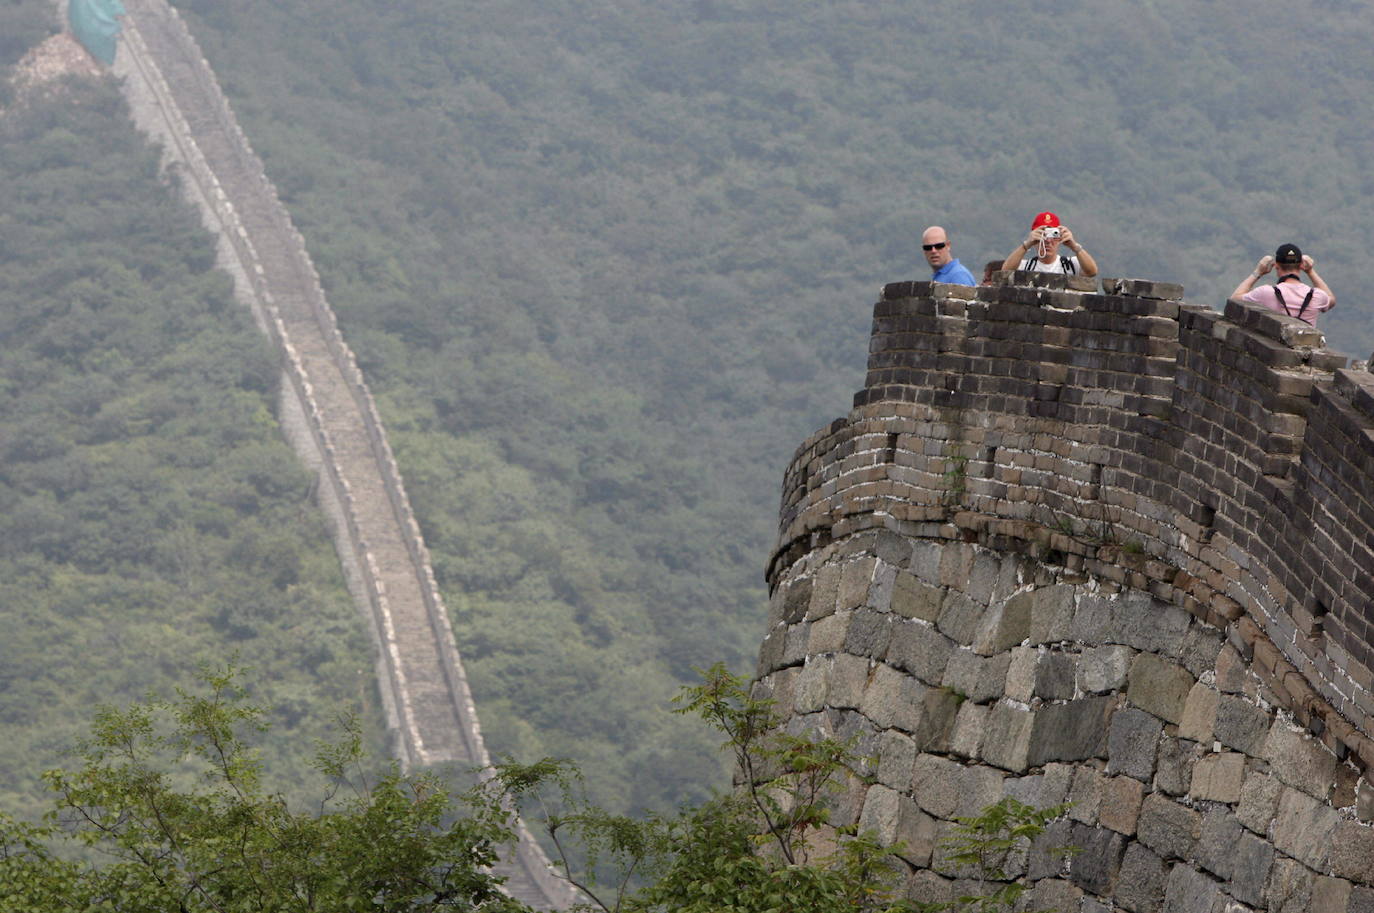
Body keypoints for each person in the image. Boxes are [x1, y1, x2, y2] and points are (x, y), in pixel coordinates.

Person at [1230, 243, 1335, 326]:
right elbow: (1331, 300)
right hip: (1305, 351)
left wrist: (1258, 272)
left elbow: (1234, 300)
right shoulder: (1316, 296)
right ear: (1301, 266)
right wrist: (1310, 271)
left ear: (1276, 266)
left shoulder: (1266, 293)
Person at [1001, 211, 1098, 277]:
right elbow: (1005, 272)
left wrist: (1074, 246)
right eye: (1043, 235)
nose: (1048, 241)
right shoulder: (1026, 266)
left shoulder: (1070, 265)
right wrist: (1027, 245)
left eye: (1053, 235)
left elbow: (1092, 272)